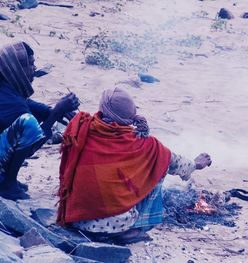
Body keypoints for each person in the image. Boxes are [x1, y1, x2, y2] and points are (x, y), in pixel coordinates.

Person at [57, 87, 211, 243]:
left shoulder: (82, 127)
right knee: (158, 166)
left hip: (76, 217)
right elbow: (174, 162)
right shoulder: (145, 144)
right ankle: (131, 230)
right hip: (117, 225)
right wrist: (195, 164)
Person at [0, 42, 80, 200]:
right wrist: (56, 113)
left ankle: (5, 179)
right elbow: (33, 146)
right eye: (31, 64)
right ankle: (7, 184)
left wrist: (55, 111)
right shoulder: (10, 100)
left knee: (26, 123)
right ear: (17, 69)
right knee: (28, 125)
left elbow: (26, 103)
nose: (34, 68)